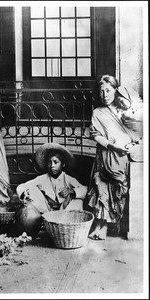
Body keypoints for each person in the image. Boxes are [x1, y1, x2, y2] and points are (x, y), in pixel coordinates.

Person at [86, 75, 143, 240]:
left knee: (115, 190)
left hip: (121, 157)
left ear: (115, 90)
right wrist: (111, 146)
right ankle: (99, 225)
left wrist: (129, 145)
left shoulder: (124, 111)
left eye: (108, 90)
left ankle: (108, 225)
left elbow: (135, 132)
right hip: (104, 154)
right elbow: (96, 135)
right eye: (101, 91)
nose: (105, 95)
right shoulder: (97, 112)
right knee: (100, 188)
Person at [16, 143, 88, 214]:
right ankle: (45, 219)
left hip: (65, 211)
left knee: (78, 200)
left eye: (56, 162)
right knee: (32, 190)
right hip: (47, 210)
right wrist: (27, 195)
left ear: (63, 164)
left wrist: (72, 191)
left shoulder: (68, 178)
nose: (52, 166)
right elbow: (22, 187)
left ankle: (66, 221)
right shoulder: (42, 178)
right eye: (49, 163)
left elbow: (84, 190)